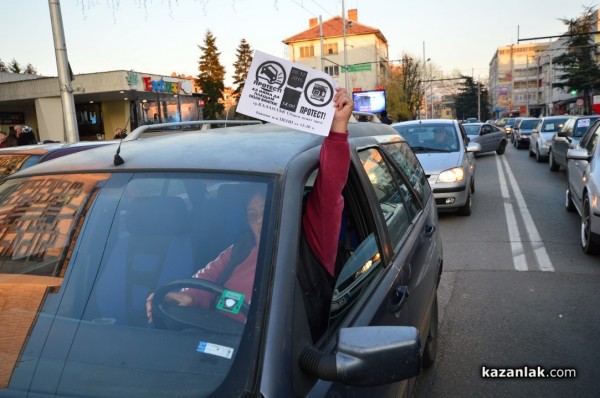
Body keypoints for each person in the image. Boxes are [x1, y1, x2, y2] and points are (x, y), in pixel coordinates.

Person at [146, 87, 354, 340]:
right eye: (251, 212)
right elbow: (206, 278)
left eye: (264, 211)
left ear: (281, 210)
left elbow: (330, 191)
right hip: (222, 344)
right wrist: (187, 295)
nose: (257, 219)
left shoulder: (310, 244)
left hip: (280, 352)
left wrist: (336, 131)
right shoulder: (241, 248)